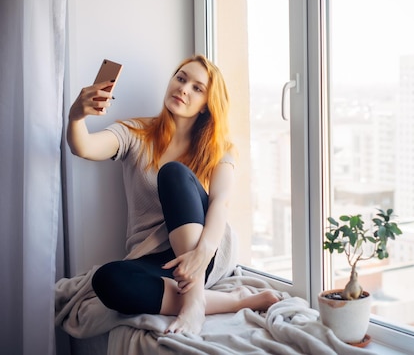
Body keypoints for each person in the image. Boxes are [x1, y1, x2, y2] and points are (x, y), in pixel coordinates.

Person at [67, 54, 279, 335]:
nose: (183, 89)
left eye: (197, 88)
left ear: (206, 105)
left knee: (173, 173)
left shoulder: (217, 147)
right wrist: (76, 116)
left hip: (207, 249)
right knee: (107, 280)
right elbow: (84, 147)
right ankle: (235, 300)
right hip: (155, 259)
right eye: (180, 78)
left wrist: (202, 253)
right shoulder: (135, 133)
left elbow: (220, 201)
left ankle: (194, 305)